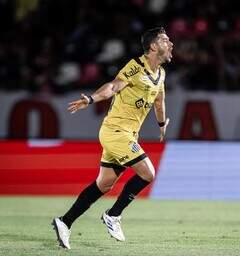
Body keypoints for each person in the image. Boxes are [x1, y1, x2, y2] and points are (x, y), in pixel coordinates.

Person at [52, 27, 173, 249]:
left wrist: (161, 123)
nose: (171, 43)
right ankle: (113, 215)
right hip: (115, 132)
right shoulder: (135, 67)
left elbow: (159, 101)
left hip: (126, 135)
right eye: (165, 40)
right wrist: (91, 98)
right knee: (148, 173)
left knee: (104, 184)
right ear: (154, 46)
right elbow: (113, 87)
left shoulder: (161, 74)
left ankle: (64, 222)